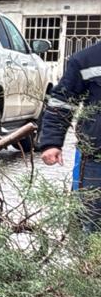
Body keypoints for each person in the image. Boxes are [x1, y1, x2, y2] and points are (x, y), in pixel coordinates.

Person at [38, 39, 101, 232]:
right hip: (96, 161)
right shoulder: (86, 59)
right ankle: (89, 262)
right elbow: (62, 102)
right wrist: (51, 143)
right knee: (92, 223)